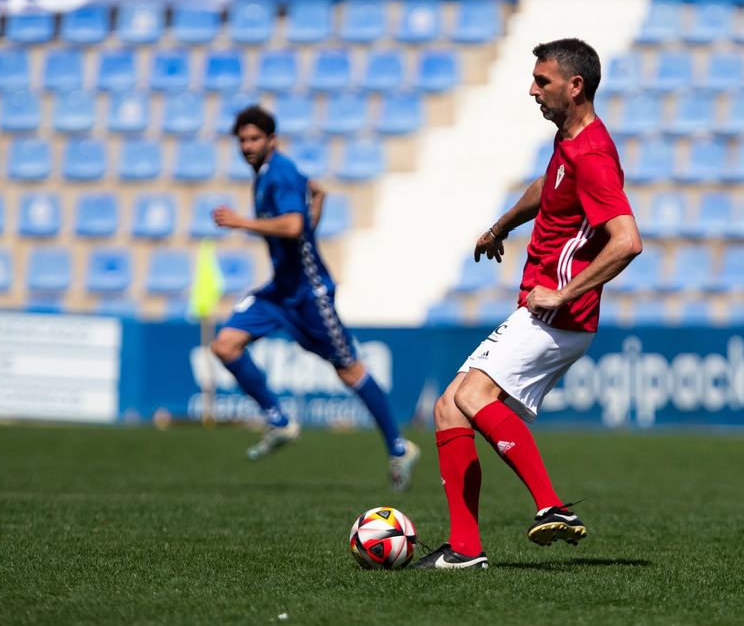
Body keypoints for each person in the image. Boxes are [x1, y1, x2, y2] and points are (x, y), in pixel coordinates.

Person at [412, 38, 642, 570]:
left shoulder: (594, 154)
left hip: (559, 312)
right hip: (543, 308)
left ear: (575, 86)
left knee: (472, 394)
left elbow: (627, 241)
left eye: (543, 81)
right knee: (449, 408)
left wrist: (563, 291)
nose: (533, 90)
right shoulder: (569, 141)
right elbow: (550, 185)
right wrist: (502, 226)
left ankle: (551, 504)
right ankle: (465, 549)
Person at [209, 105, 419, 491]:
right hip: (280, 290)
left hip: (309, 293)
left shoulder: (280, 172)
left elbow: (293, 225)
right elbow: (315, 194)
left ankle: (399, 446)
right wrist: (313, 210)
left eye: (255, 138)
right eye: (242, 140)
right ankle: (278, 421)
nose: (248, 146)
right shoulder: (269, 174)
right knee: (225, 344)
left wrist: (241, 222)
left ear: (272, 140)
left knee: (349, 369)